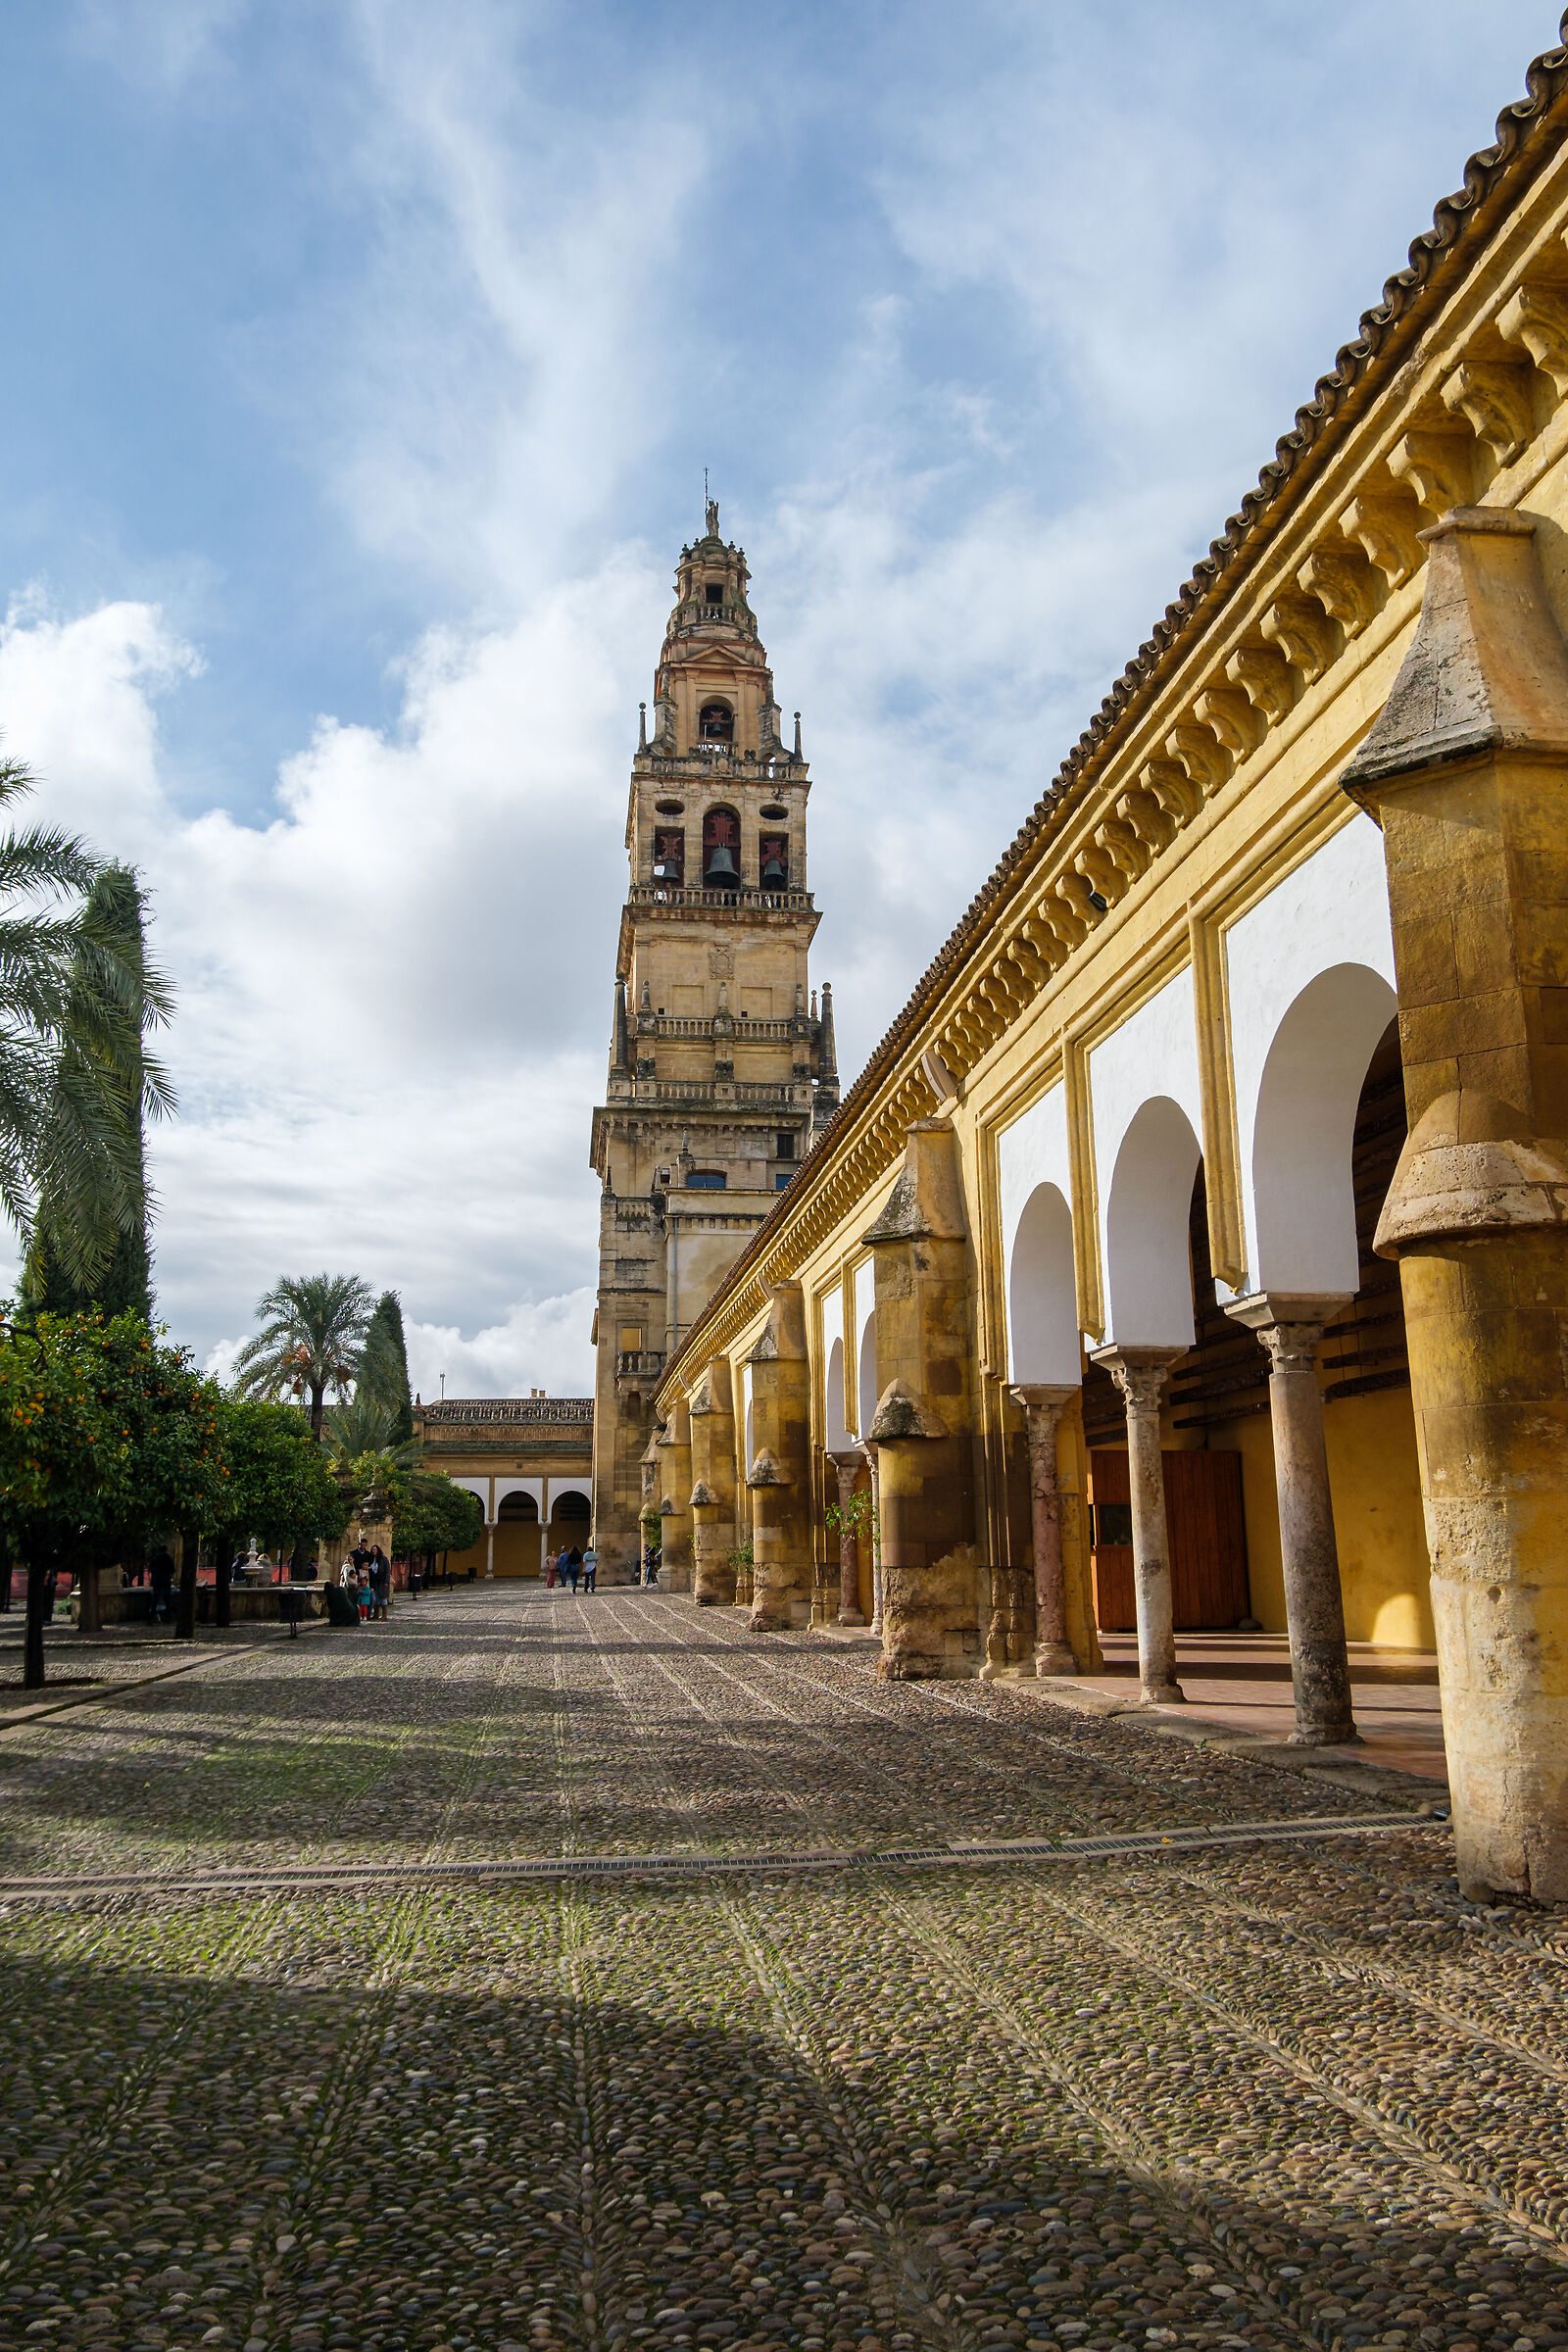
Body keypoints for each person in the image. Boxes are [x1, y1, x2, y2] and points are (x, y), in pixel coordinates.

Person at [148, 1544, 174, 1624]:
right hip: (165, 1581)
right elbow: (172, 1570)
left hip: (156, 1581)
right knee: (167, 1600)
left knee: (154, 1601)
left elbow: (150, 1569)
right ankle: (168, 1618)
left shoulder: (155, 1558)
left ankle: (150, 1619)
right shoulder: (168, 1558)